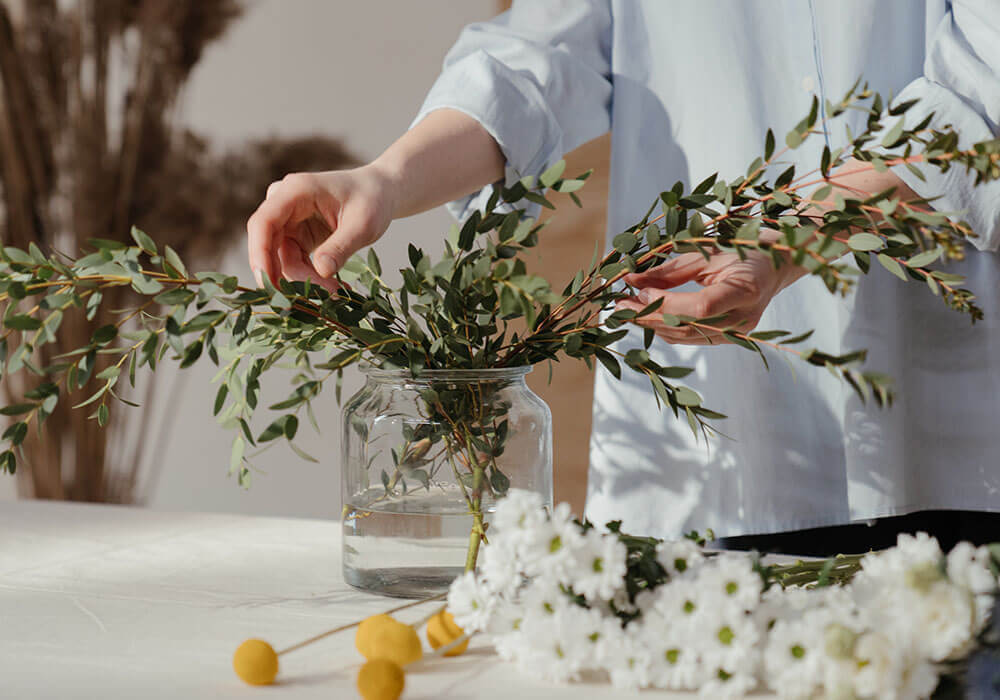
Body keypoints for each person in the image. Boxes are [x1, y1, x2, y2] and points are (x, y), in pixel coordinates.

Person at [246, 1, 1000, 554]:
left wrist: (780, 239)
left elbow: (982, 89)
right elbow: (540, 55)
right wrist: (386, 178)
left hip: (954, 433)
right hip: (722, 443)